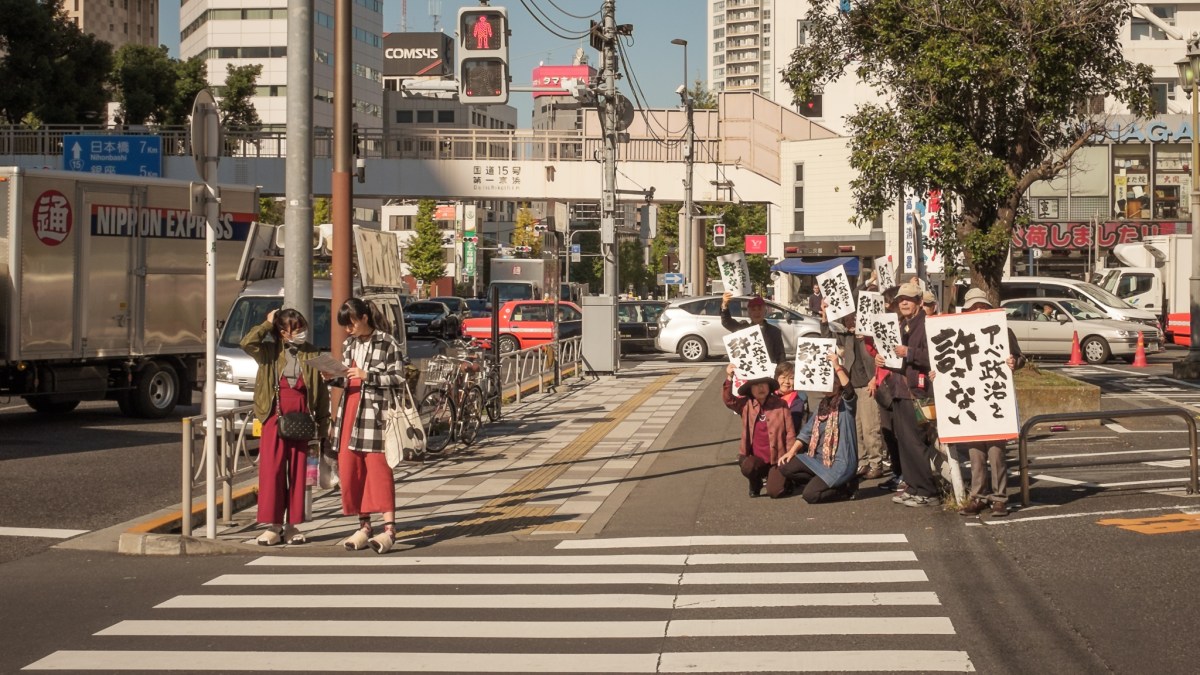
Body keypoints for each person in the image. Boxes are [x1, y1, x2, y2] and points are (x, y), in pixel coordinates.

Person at [326, 297, 409, 554]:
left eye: (350, 324)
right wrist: (333, 377)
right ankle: (364, 525)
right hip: (350, 410)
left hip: (376, 415)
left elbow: (398, 376)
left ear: (363, 317)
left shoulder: (387, 342)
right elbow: (348, 381)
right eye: (345, 326)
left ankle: (389, 528)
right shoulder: (349, 344)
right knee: (351, 468)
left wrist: (367, 376)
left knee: (378, 469)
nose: (348, 330)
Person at [241, 308, 330, 546]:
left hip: (303, 417)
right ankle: (273, 526)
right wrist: (267, 324)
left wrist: (323, 424)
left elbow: (320, 392)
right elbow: (247, 343)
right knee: (272, 472)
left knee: (300, 473)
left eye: (302, 327)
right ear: (283, 331)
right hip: (273, 415)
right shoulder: (269, 350)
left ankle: (292, 525)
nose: (301, 332)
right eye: (296, 328)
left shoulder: (311, 351)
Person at [956, 288, 1027, 518]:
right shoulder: (956, 332)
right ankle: (978, 496)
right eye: (973, 307)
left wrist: (1013, 361)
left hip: (994, 398)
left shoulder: (1002, 331)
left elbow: (1021, 357)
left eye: (982, 306)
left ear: (989, 308)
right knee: (975, 454)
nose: (978, 310)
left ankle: (999, 498)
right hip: (972, 402)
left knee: (996, 453)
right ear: (966, 311)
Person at [877, 281, 940, 507]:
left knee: (916, 443)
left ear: (920, 302)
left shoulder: (926, 325)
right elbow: (899, 361)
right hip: (899, 390)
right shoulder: (903, 324)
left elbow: (934, 356)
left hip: (917, 391)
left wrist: (909, 352)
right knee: (903, 442)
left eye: (909, 299)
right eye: (901, 299)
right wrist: (884, 360)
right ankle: (912, 487)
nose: (904, 302)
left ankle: (927, 491)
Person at [776, 349, 859, 503]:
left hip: (840, 462)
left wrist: (837, 366)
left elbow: (850, 390)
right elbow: (806, 432)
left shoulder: (846, 404)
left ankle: (844, 488)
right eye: (827, 382)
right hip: (819, 458)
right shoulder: (822, 404)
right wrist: (791, 452)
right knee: (785, 466)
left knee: (810, 496)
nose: (829, 385)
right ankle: (824, 481)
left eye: (834, 382)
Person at [818, 302, 884, 480]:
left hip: (867, 385)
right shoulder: (844, 336)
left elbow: (880, 357)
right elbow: (827, 342)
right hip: (850, 387)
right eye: (847, 317)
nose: (850, 320)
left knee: (871, 427)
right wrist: (824, 319)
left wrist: (874, 379)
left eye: (853, 316)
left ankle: (876, 463)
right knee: (855, 428)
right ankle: (862, 461)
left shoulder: (869, 335)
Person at [722, 364, 796, 498]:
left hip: (777, 458)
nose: (760, 388)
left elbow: (790, 433)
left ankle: (782, 479)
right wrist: (729, 377)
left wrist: (790, 455)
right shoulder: (746, 404)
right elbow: (729, 400)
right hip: (757, 458)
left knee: (775, 492)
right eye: (756, 385)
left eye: (764, 384)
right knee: (747, 466)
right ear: (750, 389)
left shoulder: (781, 404)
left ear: (769, 387)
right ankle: (755, 482)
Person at [720, 292, 786, 365]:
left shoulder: (774, 331)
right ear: (749, 313)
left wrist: (783, 372)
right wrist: (724, 305)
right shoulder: (743, 328)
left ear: (765, 311)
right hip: (749, 371)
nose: (757, 312)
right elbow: (727, 322)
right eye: (753, 310)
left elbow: (780, 355)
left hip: (768, 372)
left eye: (760, 309)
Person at [774, 361, 808, 431]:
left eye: (791, 378)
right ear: (776, 378)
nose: (786, 381)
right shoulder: (769, 396)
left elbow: (793, 426)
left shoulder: (798, 402)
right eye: (783, 377)